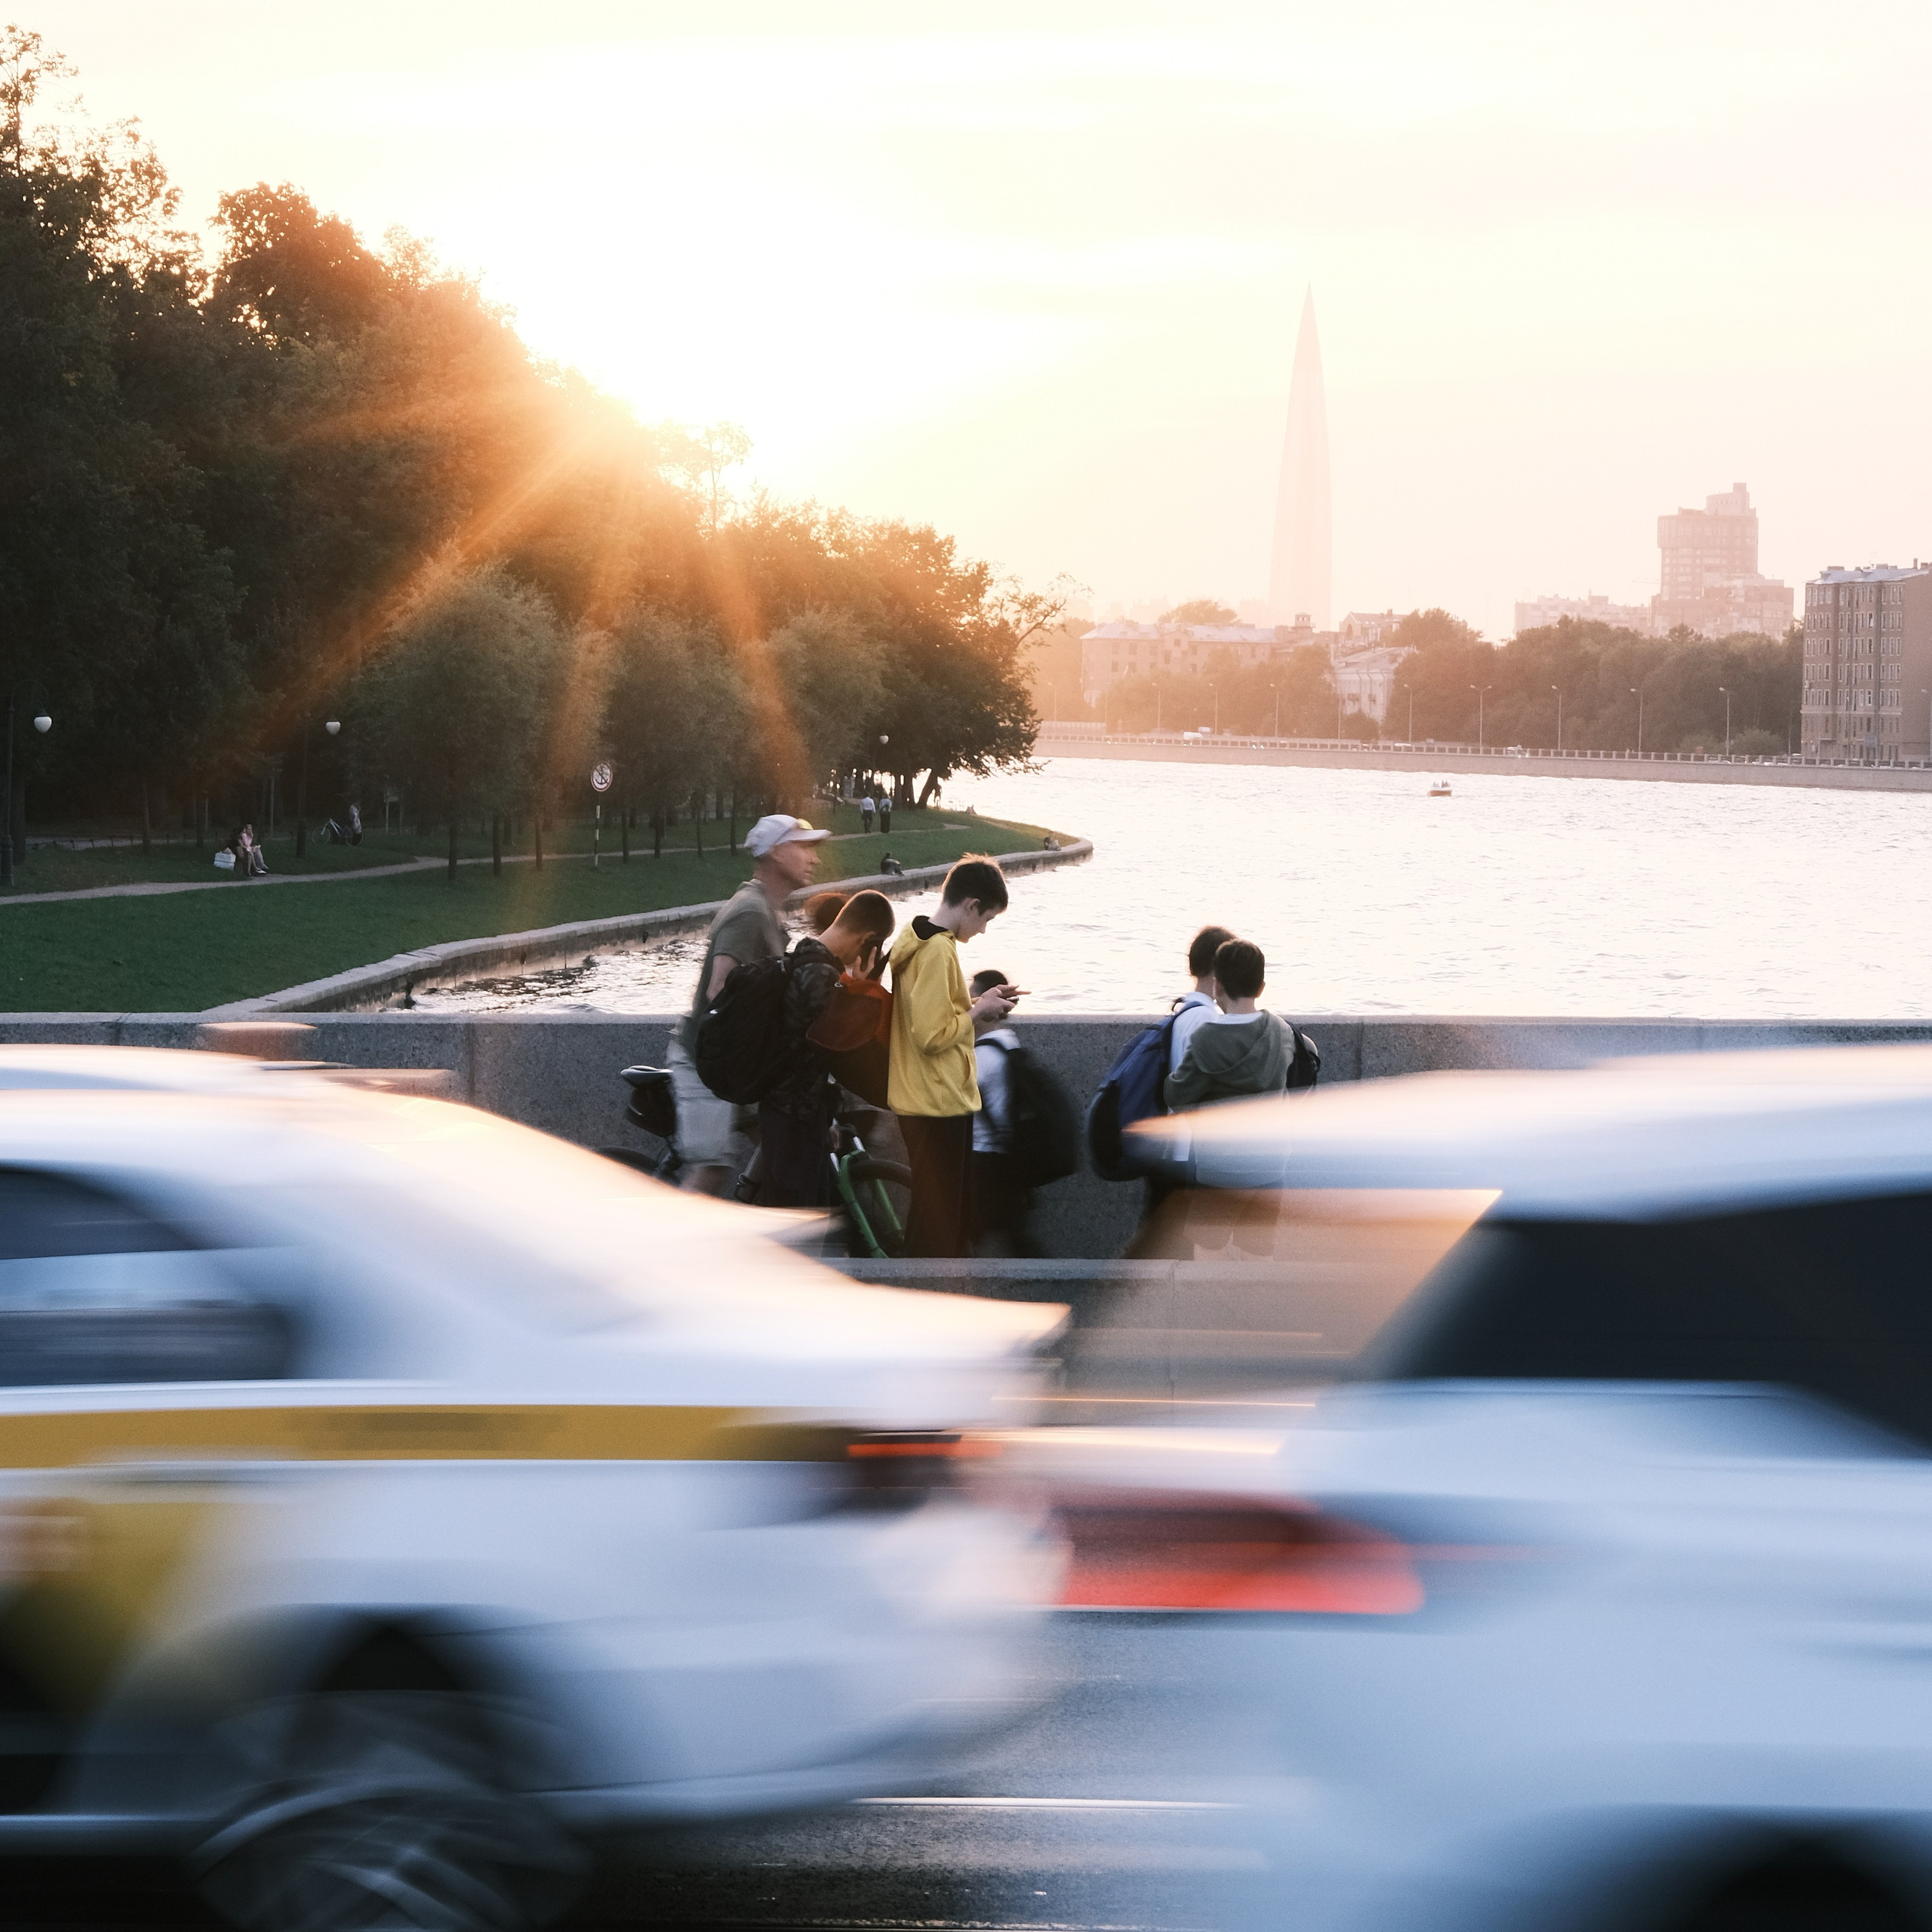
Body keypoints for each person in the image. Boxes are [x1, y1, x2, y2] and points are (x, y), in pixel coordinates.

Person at [672, 812, 828, 1194]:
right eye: (804, 847)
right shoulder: (749, 912)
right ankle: (668, 1250)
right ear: (775, 853)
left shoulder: (766, 911)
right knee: (711, 1170)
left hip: (737, 1066)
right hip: (706, 1065)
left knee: (785, 1144)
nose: (815, 858)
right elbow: (719, 993)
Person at [888, 856, 1018, 1257]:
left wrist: (980, 1003)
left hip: (921, 1097)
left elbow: (931, 1016)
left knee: (931, 1218)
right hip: (939, 1102)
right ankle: (922, 1303)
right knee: (939, 1228)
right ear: (971, 905)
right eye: (986, 919)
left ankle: (917, 1299)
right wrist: (978, 1013)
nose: (982, 931)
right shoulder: (938, 952)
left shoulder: (917, 941)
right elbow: (930, 1035)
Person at [758, 891, 898, 1208]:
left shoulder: (806, 961)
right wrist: (865, 988)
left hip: (796, 1114)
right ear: (868, 939)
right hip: (793, 1120)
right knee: (797, 1228)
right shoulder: (819, 975)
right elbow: (846, 1050)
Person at [1165, 937, 1297, 1110]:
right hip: (1271, 1136)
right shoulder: (1282, 1031)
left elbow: (1177, 1097)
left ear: (1217, 986)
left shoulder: (1206, 1038)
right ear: (1261, 988)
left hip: (1219, 1136)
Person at [970, 966, 1040, 1257]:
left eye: (974, 1001)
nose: (969, 1006)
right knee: (1017, 1240)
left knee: (966, 1241)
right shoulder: (1009, 1042)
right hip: (1009, 1158)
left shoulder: (981, 1057)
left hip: (982, 1162)